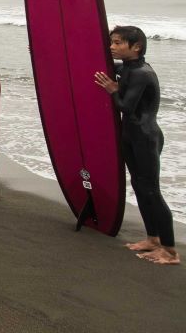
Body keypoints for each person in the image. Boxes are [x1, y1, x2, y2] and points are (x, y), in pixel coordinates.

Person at [94, 26, 177, 265]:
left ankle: (170, 250)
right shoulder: (128, 68)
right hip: (130, 135)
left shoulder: (142, 72)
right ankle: (153, 239)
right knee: (140, 187)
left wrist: (112, 89)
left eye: (118, 43)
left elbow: (126, 107)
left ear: (136, 47)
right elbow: (98, 68)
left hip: (145, 136)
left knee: (151, 190)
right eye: (111, 42)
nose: (112, 46)